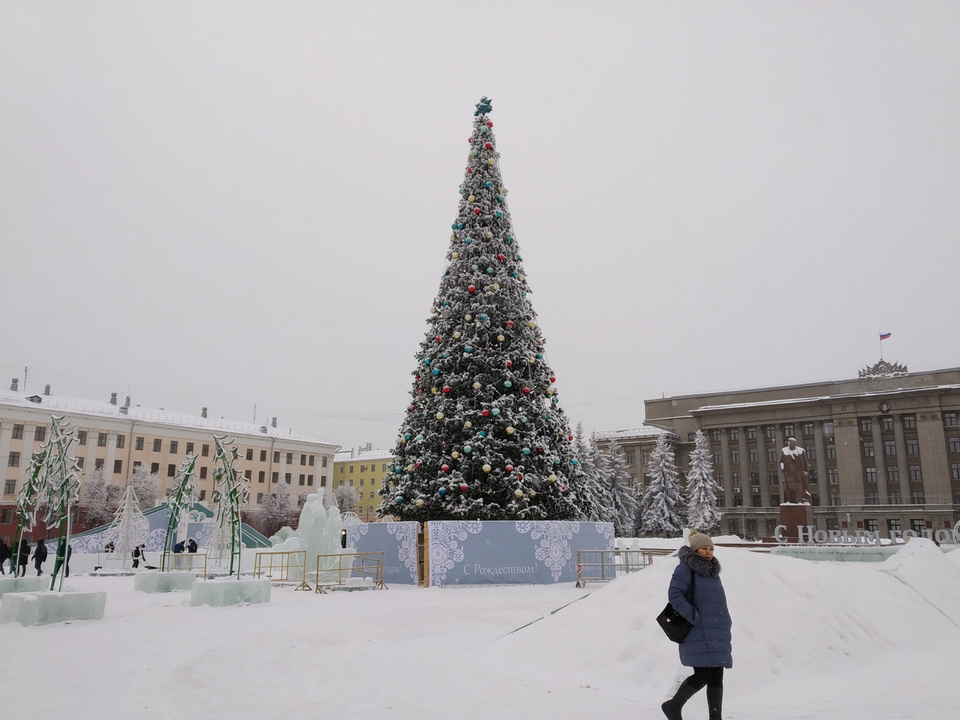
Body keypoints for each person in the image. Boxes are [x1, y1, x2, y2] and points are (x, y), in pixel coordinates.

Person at [661, 531, 732, 720]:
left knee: (717, 674)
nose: (708, 552)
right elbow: (675, 595)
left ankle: (715, 717)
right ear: (695, 549)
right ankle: (673, 706)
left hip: (716, 629)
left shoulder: (712, 572)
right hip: (697, 629)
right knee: (702, 674)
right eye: (704, 548)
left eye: (711, 548)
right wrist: (693, 617)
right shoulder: (685, 569)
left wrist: (726, 621)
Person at [779, 437, 810, 504]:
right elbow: (781, 461)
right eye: (788, 442)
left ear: (795, 443)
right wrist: (782, 469)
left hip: (799, 473)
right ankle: (789, 501)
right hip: (789, 473)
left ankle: (799, 501)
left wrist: (806, 471)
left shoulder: (801, 451)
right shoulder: (784, 450)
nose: (789, 443)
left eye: (791, 442)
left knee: (799, 487)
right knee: (788, 488)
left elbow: (805, 462)